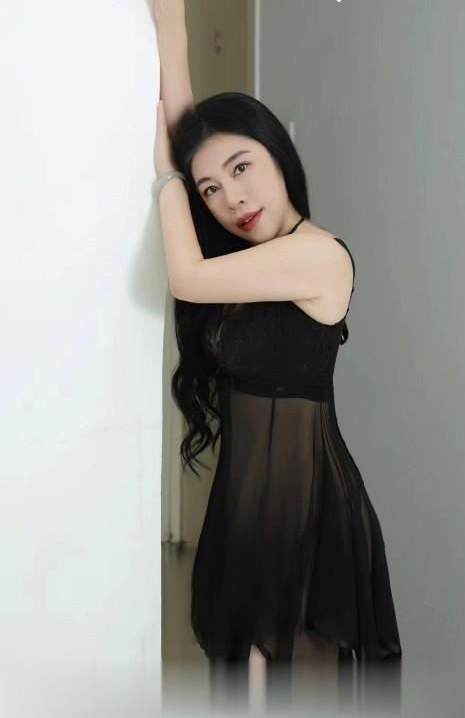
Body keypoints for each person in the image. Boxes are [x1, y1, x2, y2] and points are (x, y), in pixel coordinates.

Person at [152, 0, 402, 708]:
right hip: (243, 524)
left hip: (312, 524)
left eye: (242, 167)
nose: (231, 197)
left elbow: (184, 277)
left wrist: (166, 178)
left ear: (279, 156)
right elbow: (193, 136)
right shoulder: (249, 264)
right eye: (210, 188)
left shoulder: (318, 257)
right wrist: (172, 29)